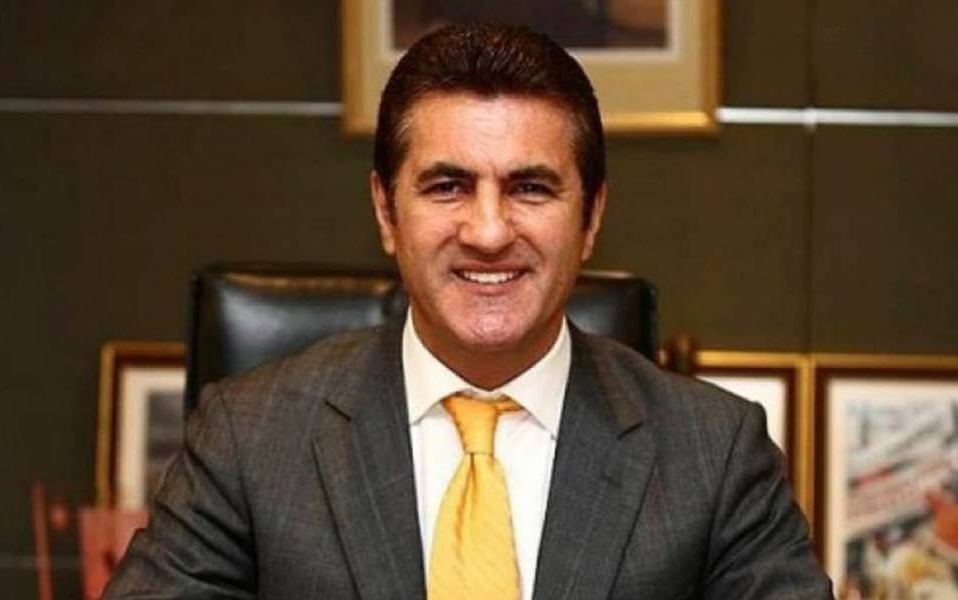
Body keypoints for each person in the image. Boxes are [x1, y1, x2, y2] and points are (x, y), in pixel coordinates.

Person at [105, 23, 831, 599]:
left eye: (531, 188)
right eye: (448, 186)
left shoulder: (713, 454)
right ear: (386, 211)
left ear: (591, 217)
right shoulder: (249, 440)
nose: (487, 231)